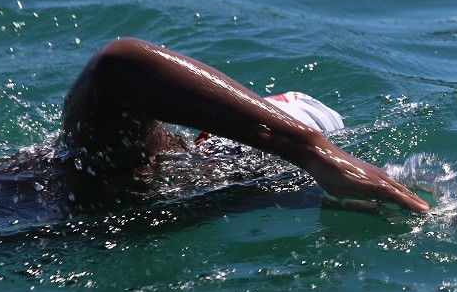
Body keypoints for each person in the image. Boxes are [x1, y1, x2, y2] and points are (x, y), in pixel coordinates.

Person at [59, 37, 429, 212]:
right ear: (209, 132)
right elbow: (119, 62)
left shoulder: (195, 186)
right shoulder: (134, 154)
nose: (261, 168)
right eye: (262, 151)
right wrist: (313, 150)